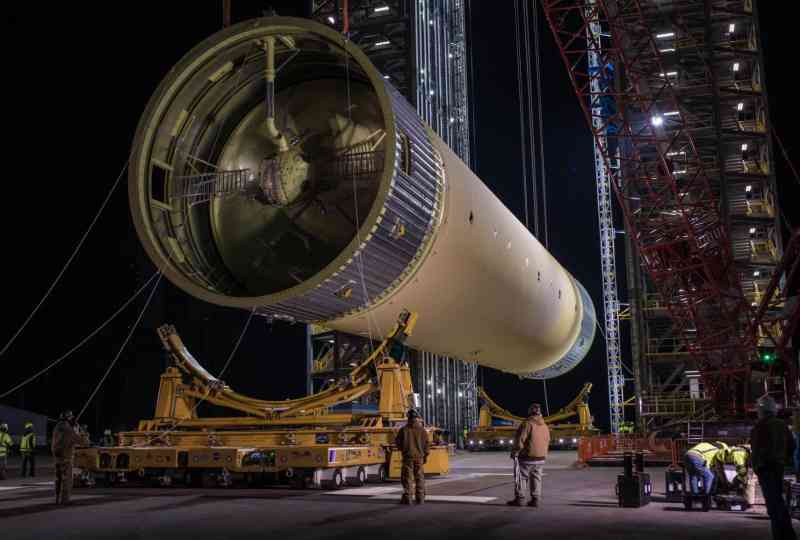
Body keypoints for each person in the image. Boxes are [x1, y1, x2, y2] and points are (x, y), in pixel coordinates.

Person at [750, 396, 797, 540]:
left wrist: (757, 466)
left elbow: (756, 448)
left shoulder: (760, 426)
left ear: (761, 410)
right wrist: (785, 459)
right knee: (777, 500)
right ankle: (786, 534)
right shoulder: (782, 425)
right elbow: (792, 445)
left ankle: (783, 535)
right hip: (778, 466)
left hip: (765, 467)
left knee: (773, 503)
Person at [508, 403, 550, 508]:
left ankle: (520, 499)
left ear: (530, 412)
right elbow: (547, 440)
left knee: (521, 477)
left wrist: (515, 452)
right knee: (536, 478)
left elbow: (520, 440)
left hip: (527, 457)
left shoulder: (527, 423)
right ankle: (535, 500)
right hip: (541, 458)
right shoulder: (544, 425)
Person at [395, 408, 429, 505]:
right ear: (417, 417)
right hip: (419, 457)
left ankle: (408, 498)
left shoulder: (403, 430)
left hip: (408, 457)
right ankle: (420, 498)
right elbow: (427, 445)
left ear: (408, 417)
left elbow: (398, 443)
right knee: (420, 477)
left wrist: (404, 450)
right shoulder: (422, 430)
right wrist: (425, 456)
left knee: (407, 478)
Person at [52, 411, 83, 505]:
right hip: (67, 458)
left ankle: (57, 498)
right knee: (67, 479)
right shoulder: (68, 429)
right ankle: (64, 500)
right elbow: (80, 441)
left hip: (57, 458)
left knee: (58, 478)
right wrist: (76, 430)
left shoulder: (57, 427)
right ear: (69, 418)